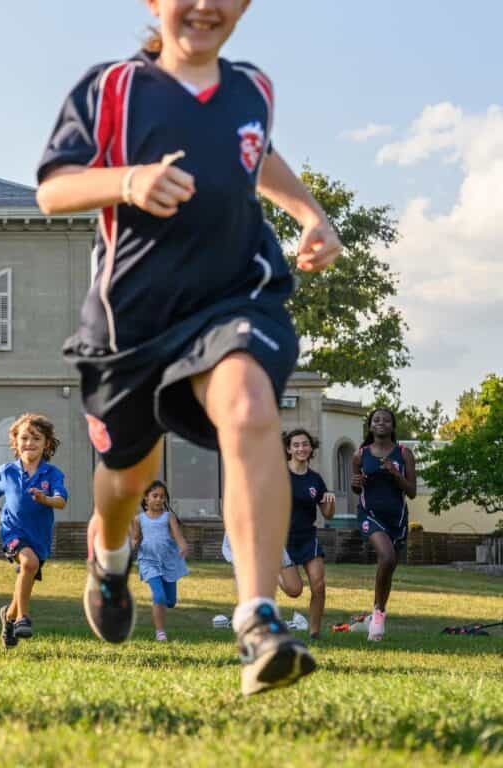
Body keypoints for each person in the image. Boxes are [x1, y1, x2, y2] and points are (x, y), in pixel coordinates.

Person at [35, 0, 343, 694]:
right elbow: (53, 189)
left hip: (233, 298)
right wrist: (127, 180)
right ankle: (109, 561)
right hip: (130, 325)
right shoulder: (111, 89)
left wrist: (310, 213)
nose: (205, 5)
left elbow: (254, 152)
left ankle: (258, 621)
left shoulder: (251, 88)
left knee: (250, 404)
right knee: (126, 480)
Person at [0, 413, 67, 648]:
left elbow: (61, 501)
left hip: (40, 536)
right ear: (15, 442)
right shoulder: (7, 471)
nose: (30, 443)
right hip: (12, 531)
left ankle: (9, 615)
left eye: (36, 438)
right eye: (24, 437)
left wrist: (45, 499)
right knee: (28, 564)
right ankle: (22, 619)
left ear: (46, 443)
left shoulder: (52, 474)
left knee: (27, 575)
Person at [352, 407, 416, 642]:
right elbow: (356, 489)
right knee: (387, 557)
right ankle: (378, 615)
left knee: (388, 568)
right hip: (369, 514)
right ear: (370, 426)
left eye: (386, 420)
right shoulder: (360, 455)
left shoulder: (403, 453)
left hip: (396, 518)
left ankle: (378, 611)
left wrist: (395, 474)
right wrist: (357, 482)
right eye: (376, 420)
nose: (381, 423)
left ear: (392, 426)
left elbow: (412, 492)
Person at [282, 429, 336, 638]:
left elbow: (327, 514)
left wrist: (329, 501)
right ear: (288, 449)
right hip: (282, 539)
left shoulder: (315, 479)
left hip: (307, 538)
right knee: (294, 591)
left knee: (319, 585)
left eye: (305, 444)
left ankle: (314, 632)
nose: (301, 448)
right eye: (296, 445)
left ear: (311, 448)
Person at [132, 481, 189, 641]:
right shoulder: (139, 519)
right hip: (148, 561)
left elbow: (177, 535)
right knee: (159, 597)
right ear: (145, 498)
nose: (158, 499)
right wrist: (131, 547)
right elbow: (135, 538)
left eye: (162, 497)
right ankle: (160, 632)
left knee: (170, 601)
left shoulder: (168, 517)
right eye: (155, 496)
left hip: (168, 561)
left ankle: (166, 605)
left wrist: (183, 545)